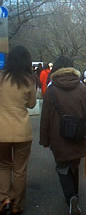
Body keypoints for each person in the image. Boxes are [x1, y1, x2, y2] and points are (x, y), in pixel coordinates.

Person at [40, 56, 86, 215]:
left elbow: (45, 117)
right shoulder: (81, 87)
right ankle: (75, 196)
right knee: (74, 165)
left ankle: (70, 196)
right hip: (79, 134)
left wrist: (44, 138)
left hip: (58, 136)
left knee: (62, 166)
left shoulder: (51, 89)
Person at [0, 46, 36, 215]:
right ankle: (17, 205)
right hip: (23, 130)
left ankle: (5, 199)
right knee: (20, 170)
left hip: (1, 131)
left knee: (3, 166)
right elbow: (32, 104)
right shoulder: (29, 80)